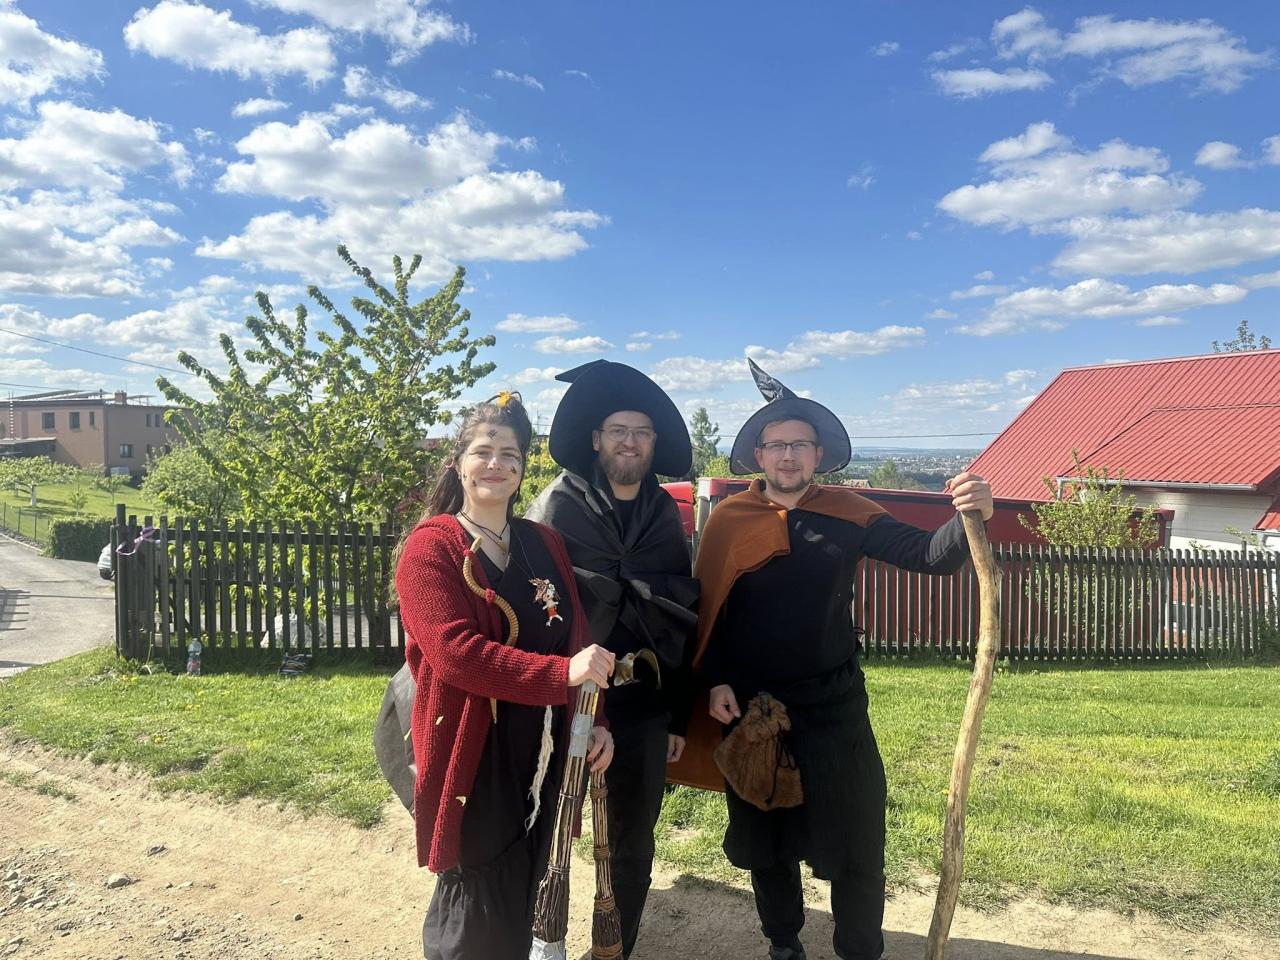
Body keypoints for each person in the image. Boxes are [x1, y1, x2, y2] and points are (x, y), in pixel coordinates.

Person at [693, 361, 994, 960]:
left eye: (799, 444)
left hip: (834, 709)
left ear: (818, 454)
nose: (788, 456)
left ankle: (860, 950)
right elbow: (711, 609)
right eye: (776, 445)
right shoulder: (729, 520)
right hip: (754, 710)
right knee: (768, 838)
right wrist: (716, 679)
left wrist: (970, 512)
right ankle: (784, 944)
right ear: (758, 455)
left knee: (858, 838)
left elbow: (928, 556)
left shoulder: (849, 512)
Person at [393, 391, 617, 960]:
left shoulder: (544, 543)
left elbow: (576, 638)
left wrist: (596, 723)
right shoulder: (431, 548)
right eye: (483, 452)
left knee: (538, 875)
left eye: (510, 454)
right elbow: (457, 654)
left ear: (522, 468)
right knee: (476, 898)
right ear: (458, 463)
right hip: (475, 747)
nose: (496, 464)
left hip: (547, 745)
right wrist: (562, 675)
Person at [525, 360, 699, 959]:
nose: (631, 442)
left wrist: (676, 715)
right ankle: (537, 942)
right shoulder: (556, 506)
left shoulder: (662, 515)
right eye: (619, 430)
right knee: (546, 824)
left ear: (654, 443)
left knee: (633, 839)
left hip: (642, 702)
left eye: (642, 432)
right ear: (596, 438)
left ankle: (613, 949)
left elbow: (679, 615)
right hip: (566, 698)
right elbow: (530, 607)